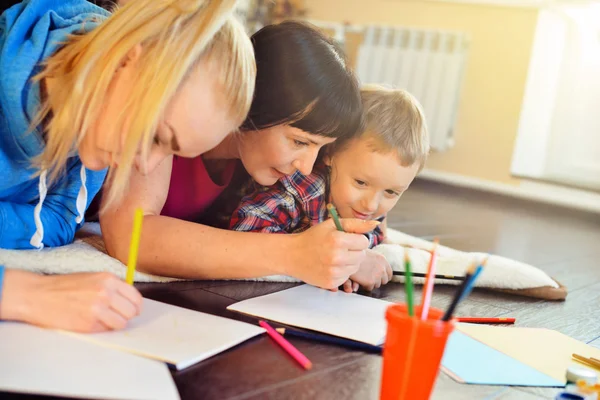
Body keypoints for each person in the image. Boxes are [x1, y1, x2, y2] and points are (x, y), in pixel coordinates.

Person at [0, 0, 255, 332]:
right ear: (124, 58)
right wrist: (26, 293)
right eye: (155, 136)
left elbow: (60, 221)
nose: (146, 166)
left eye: (169, 153)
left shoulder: (92, 119)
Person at [100, 21, 379, 290]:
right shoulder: (175, 121)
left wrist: (348, 257)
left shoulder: (262, 165)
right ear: (257, 100)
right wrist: (294, 253)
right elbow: (129, 236)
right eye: (299, 141)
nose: (305, 167)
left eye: (319, 148)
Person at [230, 86, 430, 292]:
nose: (371, 204)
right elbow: (245, 231)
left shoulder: (369, 205)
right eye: (360, 183)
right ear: (330, 154)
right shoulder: (299, 191)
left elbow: (378, 232)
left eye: (391, 192)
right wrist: (346, 261)